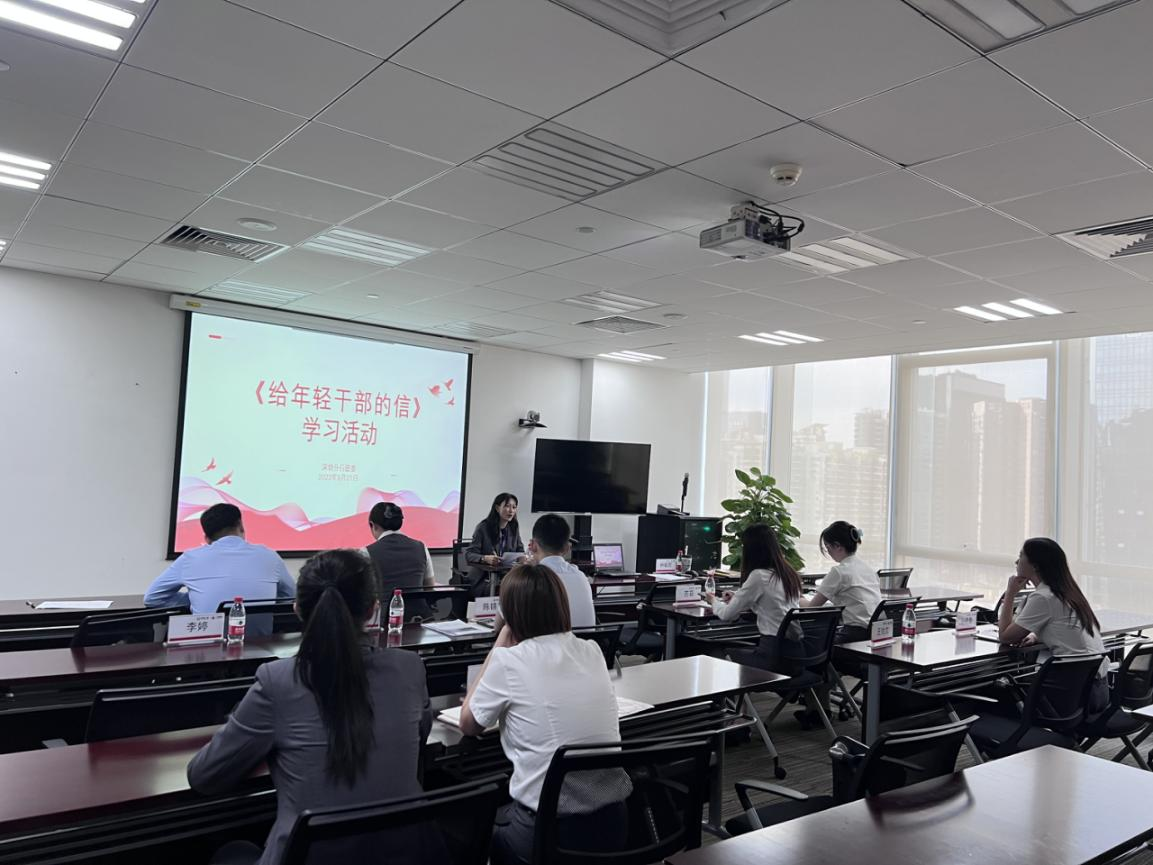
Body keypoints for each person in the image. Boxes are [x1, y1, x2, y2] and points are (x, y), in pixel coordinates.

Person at [187, 549, 433, 865]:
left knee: (231, 853)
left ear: (297, 609)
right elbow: (419, 736)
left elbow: (205, 775)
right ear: (373, 609)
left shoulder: (277, 681)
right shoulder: (410, 668)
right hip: (403, 854)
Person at [460, 565, 625, 865]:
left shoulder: (509, 661)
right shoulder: (591, 651)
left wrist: (498, 646)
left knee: (464, 826)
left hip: (549, 835)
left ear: (511, 614)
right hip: (613, 828)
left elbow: (468, 723)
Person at [998, 537, 1108, 712]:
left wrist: (1010, 593)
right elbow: (1064, 627)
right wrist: (1035, 635)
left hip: (1065, 698)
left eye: (1021, 556)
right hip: (1096, 692)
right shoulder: (1067, 591)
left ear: (1035, 566)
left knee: (994, 692)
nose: (1016, 562)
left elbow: (1005, 636)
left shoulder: (1043, 597)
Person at [145, 503, 294, 614]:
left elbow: (153, 598)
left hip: (206, 644)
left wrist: (194, 598)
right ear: (241, 526)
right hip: (261, 644)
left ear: (207, 538)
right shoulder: (270, 557)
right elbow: (291, 596)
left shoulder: (190, 558)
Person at [706, 523, 803, 665]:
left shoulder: (759, 576)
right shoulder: (788, 573)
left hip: (773, 657)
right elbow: (771, 600)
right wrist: (738, 597)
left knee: (714, 653)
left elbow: (727, 615)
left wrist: (713, 600)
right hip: (796, 656)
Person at [801, 521, 882, 644]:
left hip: (854, 636)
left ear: (838, 546)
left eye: (827, 547)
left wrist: (798, 597)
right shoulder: (869, 569)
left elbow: (811, 609)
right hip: (876, 634)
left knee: (810, 642)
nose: (828, 552)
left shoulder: (839, 572)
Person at [455, 493, 524, 618]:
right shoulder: (483, 527)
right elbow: (469, 554)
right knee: (506, 591)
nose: (511, 510)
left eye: (514, 507)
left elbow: (520, 549)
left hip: (505, 577)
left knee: (522, 588)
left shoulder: (514, 527)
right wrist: (485, 558)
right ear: (497, 508)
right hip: (483, 579)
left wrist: (522, 557)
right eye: (507, 506)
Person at [364, 501, 435, 620]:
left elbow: (362, 594)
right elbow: (430, 588)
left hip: (385, 622)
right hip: (419, 620)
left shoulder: (366, 552)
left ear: (373, 525)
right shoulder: (421, 547)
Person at [524, 514, 595, 628]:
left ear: (533, 545)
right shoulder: (581, 576)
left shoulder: (529, 580)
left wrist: (523, 571)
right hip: (583, 639)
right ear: (567, 548)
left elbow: (500, 624)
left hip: (547, 639)